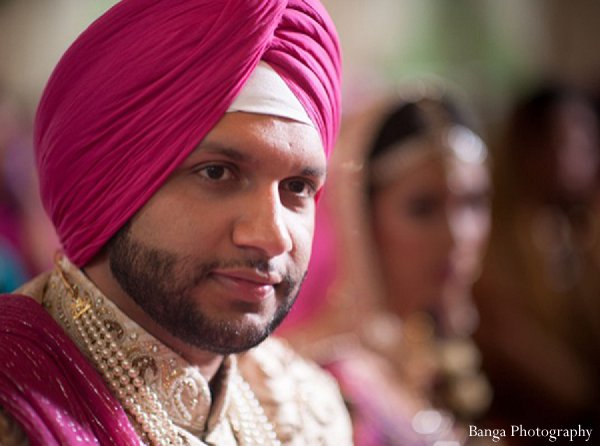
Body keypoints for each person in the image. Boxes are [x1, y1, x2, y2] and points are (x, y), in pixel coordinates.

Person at [0, 1, 353, 445]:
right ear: (111, 186)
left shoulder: (308, 411)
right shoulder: (14, 401)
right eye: (217, 173)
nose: (272, 236)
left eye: (297, 187)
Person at [280, 90, 493, 445]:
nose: (457, 236)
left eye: (473, 203)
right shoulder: (327, 382)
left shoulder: (419, 347)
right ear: (360, 219)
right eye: (423, 207)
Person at [473, 84, 600, 441]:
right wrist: (586, 406)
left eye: (588, 144)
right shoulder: (493, 241)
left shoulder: (583, 229)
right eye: (562, 143)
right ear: (525, 149)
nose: (579, 157)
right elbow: (510, 340)